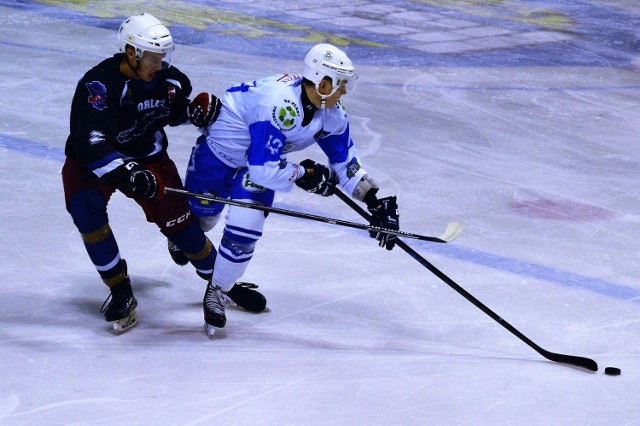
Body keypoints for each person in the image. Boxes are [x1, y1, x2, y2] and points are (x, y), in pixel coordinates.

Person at [61, 13, 265, 334]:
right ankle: (120, 289)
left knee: (182, 228)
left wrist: (195, 111)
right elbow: (90, 143)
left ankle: (218, 280)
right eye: (155, 57)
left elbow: (171, 108)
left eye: (164, 56)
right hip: (96, 163)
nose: (161, 63)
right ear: (131, 53)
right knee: (87, 212)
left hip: (150, 159)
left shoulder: (167, 79)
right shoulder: (100, 86)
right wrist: (127, 173)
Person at [182, 43, 400, 335]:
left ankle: (217, 291)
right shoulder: (278, 103)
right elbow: (265, 168)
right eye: (341, 85)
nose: (344, 92)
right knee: (200, 222)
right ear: (323, 83)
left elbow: (344, 162)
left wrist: (373, 200)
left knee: (245, 229)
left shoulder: (330, 113)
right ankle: (184, 238)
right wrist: (305, 174)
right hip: (219, 154)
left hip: (256, 166)